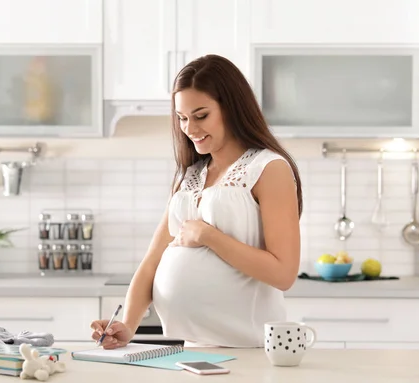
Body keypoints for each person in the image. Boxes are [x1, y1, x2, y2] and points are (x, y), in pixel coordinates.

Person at [90, 54, 303, 349]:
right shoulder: (191, 175)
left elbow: (283, 274)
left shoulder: (268, 168)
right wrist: (128, 325)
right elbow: (153, 260)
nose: (189, 129)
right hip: (193, 350)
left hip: (248, 351)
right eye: (182, 118)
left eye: (201, 116)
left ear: (232, 108)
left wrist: (207, 235)